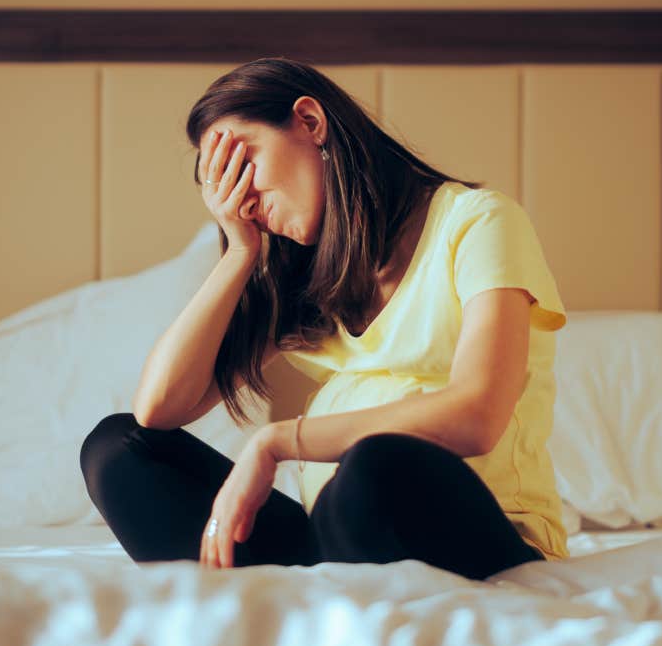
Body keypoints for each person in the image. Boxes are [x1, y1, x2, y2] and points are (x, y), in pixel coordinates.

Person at [80, 56, 568, 581]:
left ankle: (325, 587)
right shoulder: (302, 275)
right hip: (336, 540)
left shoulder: (478, 222)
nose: (243, 201)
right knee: (117, 448)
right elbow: (158, 409)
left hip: (471, 531)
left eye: (244, 168)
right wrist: (239, 252)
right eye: (223, 187)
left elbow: (478, 415)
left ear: (310, 123)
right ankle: (310, 597)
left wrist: (278, 442)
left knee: (375, 466)